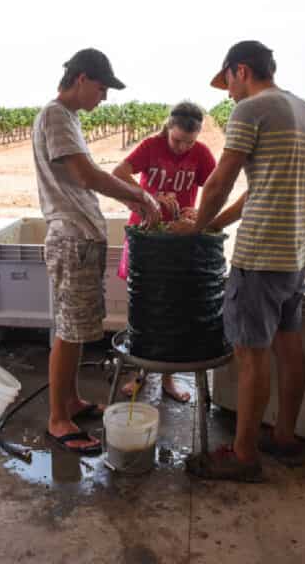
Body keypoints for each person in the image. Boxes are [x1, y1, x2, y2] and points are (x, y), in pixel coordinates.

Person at [172, 41, 305, 481]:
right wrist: (215, 222)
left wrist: (196, 226)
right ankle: (286, 437)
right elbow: (258, 189)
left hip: (258, 256)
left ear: (241, 70)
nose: (229, 94)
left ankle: (242, 455)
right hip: (294, 253)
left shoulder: (252, 110)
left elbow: (221, 179)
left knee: (251, 354)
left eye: (228, 84)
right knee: (289, 347)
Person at [32, 48, 161, 455]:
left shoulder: (66, 118)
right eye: (102, 88)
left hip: (80, 237)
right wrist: (140, 196)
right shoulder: (55, 115)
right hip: (71, 237)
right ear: (82, 78)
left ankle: (69, 401)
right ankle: (58, 419)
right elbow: (86, 175)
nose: (103, 98)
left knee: (76, 326)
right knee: (69, 332)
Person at [112, 101, 216, 403]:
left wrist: (195, 210)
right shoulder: (151, 146)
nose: (183, 147)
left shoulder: (202, 154)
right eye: (177, 140)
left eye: (189, 142)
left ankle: (168, 378)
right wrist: (149, 197)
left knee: (174, 307)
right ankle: (141, 373)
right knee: (144, 302)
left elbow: (214, 187)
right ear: (167, 129)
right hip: (146, 235)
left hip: (179, 238)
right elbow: (119, 173)